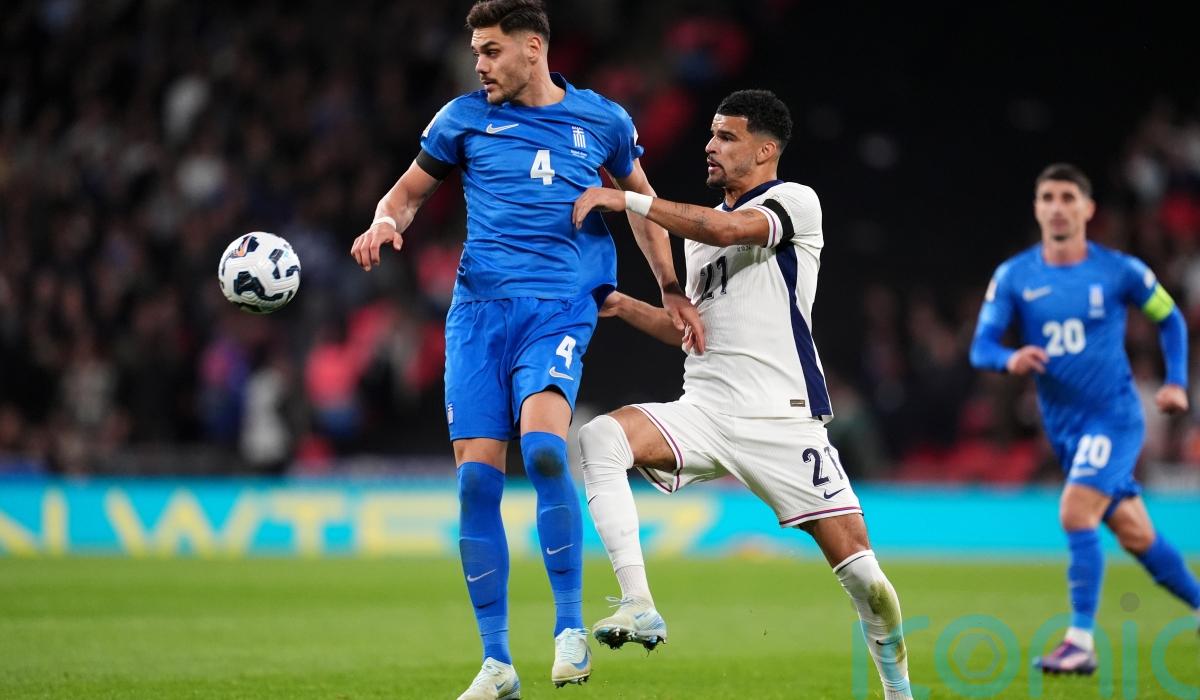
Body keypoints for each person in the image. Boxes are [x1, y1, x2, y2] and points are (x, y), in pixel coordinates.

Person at [349, 1, 702, 697]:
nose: (479, 65)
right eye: (476, 52)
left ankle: (569, 628)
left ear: (533, 48)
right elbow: (407, 193)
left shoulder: (602, 120)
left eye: (490, 51)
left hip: (560, 307)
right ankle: (497, 663)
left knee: (543, 449)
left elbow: (643, 207)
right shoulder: (461, 120)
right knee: (476, 482)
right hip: (477, 317)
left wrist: (669, 287)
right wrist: (386, 222)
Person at [571, 89, 914, 700]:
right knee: (600, 438)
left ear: (764, 150)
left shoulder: (794, 202)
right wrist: (622, 305)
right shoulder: (697, 238)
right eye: (710, 134)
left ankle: (897, 691)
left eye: (726, 137)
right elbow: (692, 331)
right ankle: (638, 602)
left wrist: (626, 198)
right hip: (704, 411)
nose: (710, 146)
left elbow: (728, 229)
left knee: (866, 578)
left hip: (782, 420)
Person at [969, 163, 1200, 674]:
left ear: (1088, 209)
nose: (1058, 207)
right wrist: (1010, 358)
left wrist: (1176, 381)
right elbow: (981, 347)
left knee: (1076, 512)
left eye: (1068, 197)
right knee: (1136, 534)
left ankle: (1079, 642)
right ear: (1037, 208)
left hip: (1114, 418)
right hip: (1064, 428)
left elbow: (1170, 318)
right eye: (1048, 197)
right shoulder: (1014, 276)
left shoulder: (1121, 271)